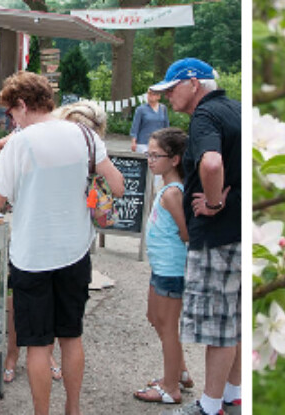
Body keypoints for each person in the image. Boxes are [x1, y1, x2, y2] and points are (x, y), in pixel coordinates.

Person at [0, 71, 124, 415]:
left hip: (32, 256)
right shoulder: (84, 135)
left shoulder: (20, 143)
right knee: (71, 336)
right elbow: (118, 186)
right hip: (75, 251)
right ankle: (73, 409)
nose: (11, 119)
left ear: (21, 104)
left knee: (37, 345)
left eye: (11, 112)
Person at [150, 58, 241, 415]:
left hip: (217, 237)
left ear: (192, 83)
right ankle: (234, 394)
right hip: (236, 232)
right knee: (233, 320)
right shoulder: (234, 109)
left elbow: (212, 163)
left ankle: (210, 405)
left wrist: (215, 202)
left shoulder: (205, 116)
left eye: (171, 89)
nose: (168, 96)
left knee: (218, 325)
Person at [133, 127, 193, 405]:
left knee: (168, 326)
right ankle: (179, 372)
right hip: (161, 268)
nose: (151, 160)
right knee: (154, 317)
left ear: (175, 159)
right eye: (149, 154)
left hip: (171, 270)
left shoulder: (173, 193)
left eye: (156, 155)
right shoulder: (164, 188)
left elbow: (186, 233)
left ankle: (171, 388)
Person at [130, 89, 170, 153]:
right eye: (149, 94)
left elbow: (166, 126)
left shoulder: (163, 108)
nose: (150, 96)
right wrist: (133, 141)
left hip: (159, 142)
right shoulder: (141, 109)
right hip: (143, 143)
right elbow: (135, 126)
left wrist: (168, 140)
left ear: (158, 97)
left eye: (153, 94)